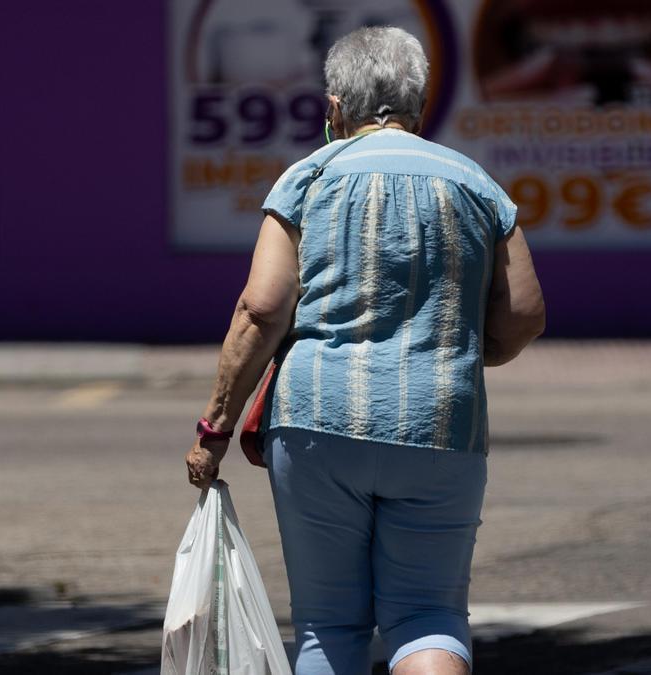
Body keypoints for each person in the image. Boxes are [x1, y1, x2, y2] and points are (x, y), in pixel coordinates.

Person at [184, 25, 545, 675]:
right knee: (428, 613)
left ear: (333, 109)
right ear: (419, 104)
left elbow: (260, 309)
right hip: (441, 423)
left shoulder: (306, 180)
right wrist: (463, 352)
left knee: (329, 624)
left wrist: (215, 425)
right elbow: (524, 313)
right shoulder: (477, 184)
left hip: (317, 424)